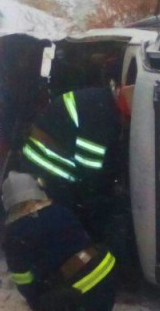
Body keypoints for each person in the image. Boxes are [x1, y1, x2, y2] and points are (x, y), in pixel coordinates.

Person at [1, 172, 131, 311]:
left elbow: (26, 284)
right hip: (107, 273)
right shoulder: (60, 211)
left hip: (77, 291)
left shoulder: (14, 234)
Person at [17, 87, 122, 243]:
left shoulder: (101, 98)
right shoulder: (101, 117)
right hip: (46, 161)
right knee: (79, 211)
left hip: (44, 154)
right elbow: (89, 171)